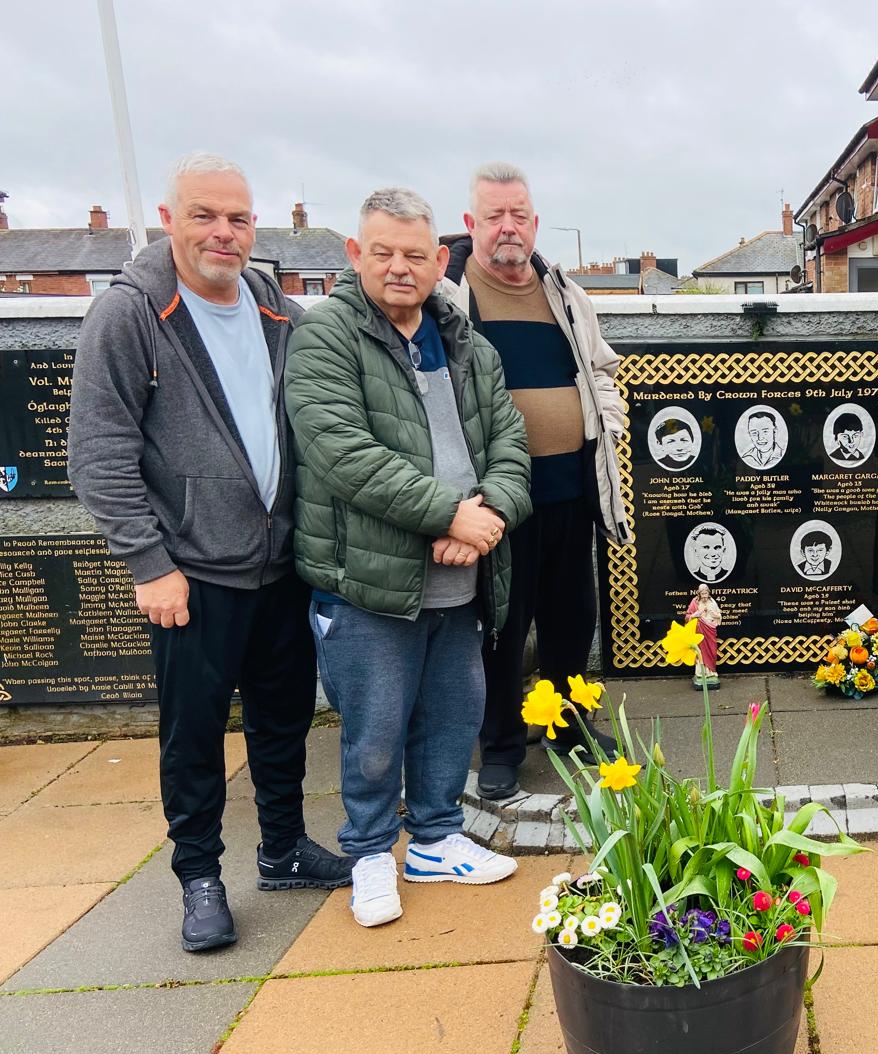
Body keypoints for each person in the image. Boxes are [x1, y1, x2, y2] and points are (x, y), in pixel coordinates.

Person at [67, 153, 352, 954]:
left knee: (284, 718)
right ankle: (199, 876)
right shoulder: (129, 317)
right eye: (204, 215)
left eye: (238, 218)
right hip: (191, 574)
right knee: (193, 735)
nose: (223, 233)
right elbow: (97, 453)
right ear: (170, 220)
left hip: (279, 563)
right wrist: (149, 563)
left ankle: (283, 847)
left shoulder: (271, 302)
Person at [285, 187, 531, 928]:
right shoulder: (326, 337)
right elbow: (340, 452)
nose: (400, 267)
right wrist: (449, 512)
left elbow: (511, 445)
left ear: (439, 260)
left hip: (461, 575)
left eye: (416, 255)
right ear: (356, 255)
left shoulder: (467, 343)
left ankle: (434, 840)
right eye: (384, 252)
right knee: (374, 729)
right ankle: (367, 854)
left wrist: (484, 515)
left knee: (454, 714)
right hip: (368, 584)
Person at [441, 163, 628, 800]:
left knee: (570, 619)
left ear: (535, 221)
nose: (507, 227)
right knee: (501, 625)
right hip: (497, 498)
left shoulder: (563, 292)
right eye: (494, 216)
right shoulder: (450, 297)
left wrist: (604, 419)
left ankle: (569, 729)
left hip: (571, 488)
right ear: (471, 224)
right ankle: (499, 744)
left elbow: (601, 366)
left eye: (518, 214)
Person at [685, 583, 721, 689]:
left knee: (711, 650)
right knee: (700, 651)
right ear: (699, 594)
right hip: (699, 630)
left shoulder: (712, 602)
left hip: (710, 629)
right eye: (702, 594)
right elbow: (687, 616)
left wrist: (715, 615)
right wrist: (694, 615)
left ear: (708, 593)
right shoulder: (694, 602)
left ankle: (711, 672)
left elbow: (718, 615)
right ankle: (701, 673)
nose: (705, 596)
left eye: (706, 593)